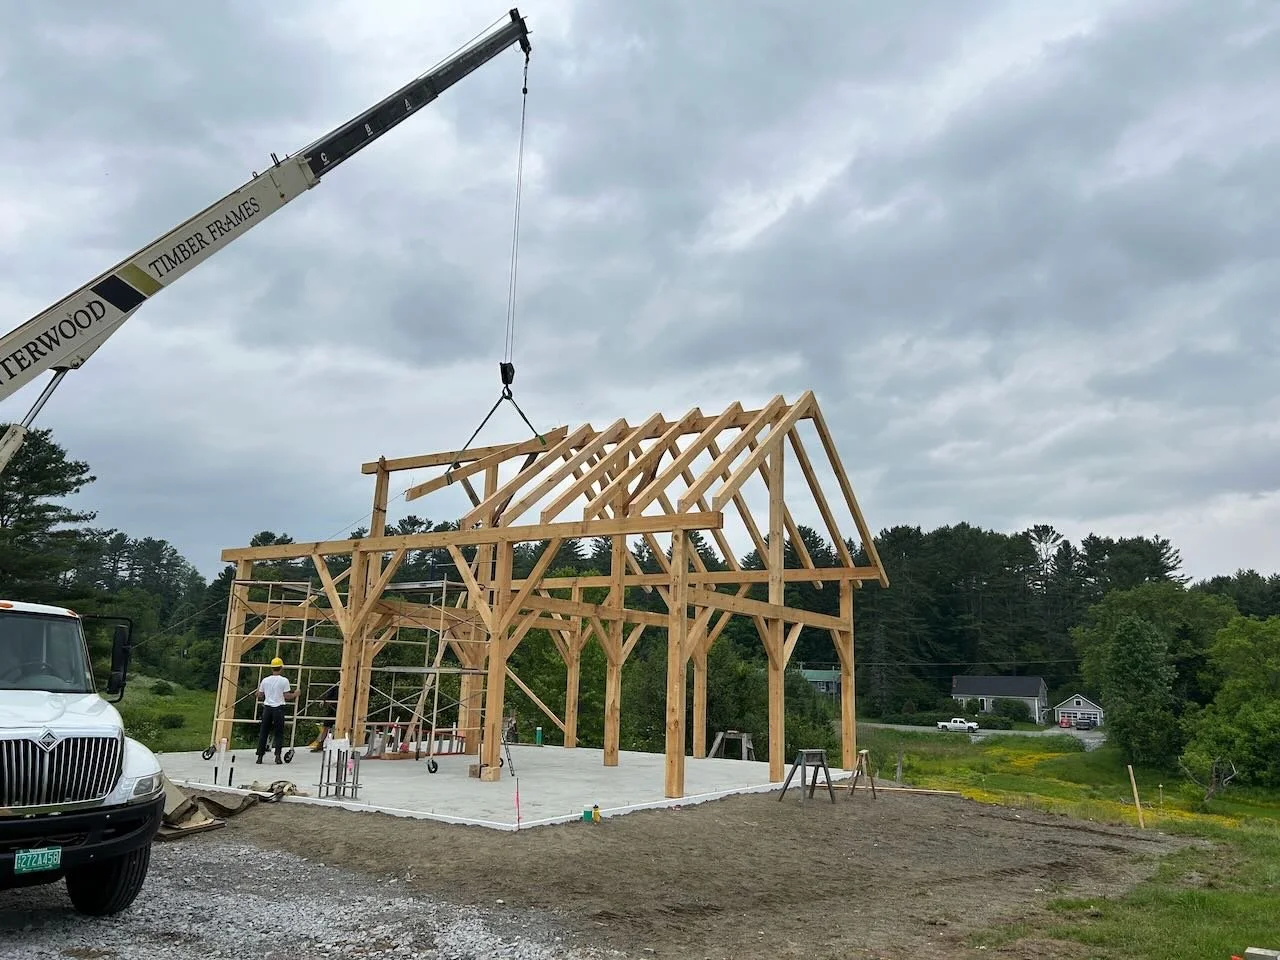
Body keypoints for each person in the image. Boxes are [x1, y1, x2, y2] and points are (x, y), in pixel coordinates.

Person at [255, 657, 297, 764]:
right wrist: (296, 694)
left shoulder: (265, 680)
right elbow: (287, 696)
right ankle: (277, 756)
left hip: (267, 708)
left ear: (272, 668)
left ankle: (260, 757)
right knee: (279, 733)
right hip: (278, 709)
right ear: (281, 668)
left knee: (263, 732)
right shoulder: (284, 681)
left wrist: (257, 693)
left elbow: (260, 695)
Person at [308, 681, 339, 752]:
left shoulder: (347, 686)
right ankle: (321, 744)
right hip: (332, 709)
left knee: (340, 727)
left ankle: (339, 744)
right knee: (326, 725)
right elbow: (329, 695)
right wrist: (325, 701)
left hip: (342, 709)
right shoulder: (336, 685)